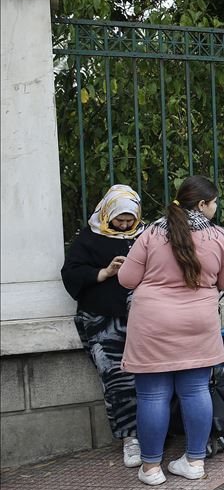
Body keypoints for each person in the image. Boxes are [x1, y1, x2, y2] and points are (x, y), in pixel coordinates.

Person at [119, 176, 224, 486]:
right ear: (201, 204)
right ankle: (194, 462)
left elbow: (127, 278)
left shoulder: (151, 233)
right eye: (214, 202)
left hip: (152, 323)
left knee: (152, 395)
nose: (216, 207)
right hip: (198, 322)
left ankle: (151, 469)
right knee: (196, 390)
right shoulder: (219, 236)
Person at [61, 185, 144, 469]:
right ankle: (129, 438)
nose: (123, 225)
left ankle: (153, 432)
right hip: (102, 321)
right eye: (119, 219)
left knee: (148, 378)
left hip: (143, 319)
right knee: (117, 380)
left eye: (128, 220)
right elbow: (71, 273)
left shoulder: (144, 236)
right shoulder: (89, 237)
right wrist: (105, 272)